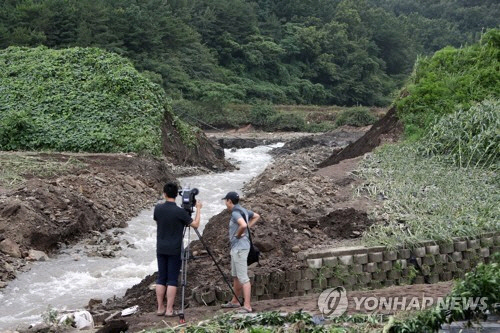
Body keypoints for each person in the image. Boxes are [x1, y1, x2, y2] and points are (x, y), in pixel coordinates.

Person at [153, 182, 202, 317]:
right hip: (174, 249)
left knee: (161, 278)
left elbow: (158, 222)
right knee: (172, 279)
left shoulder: (158, 209)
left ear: (164, 194)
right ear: (177, 195)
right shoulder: (180, 212)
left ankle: (160, 308)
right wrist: (198, 208)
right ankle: (169, 310)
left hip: (161, 247)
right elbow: (196, 225)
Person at [221, 191, 260, 313]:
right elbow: (257, 216)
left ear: (229, 201)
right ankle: (235, 301)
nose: (225, 203)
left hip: (239, 249)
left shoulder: (235, 213)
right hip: (239, 248)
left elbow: (242, 225)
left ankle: (247, 306)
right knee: (236, 276)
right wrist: (248, 227)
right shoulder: (243, 210)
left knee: (243, 278)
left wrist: (238, 234)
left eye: (226, 200)